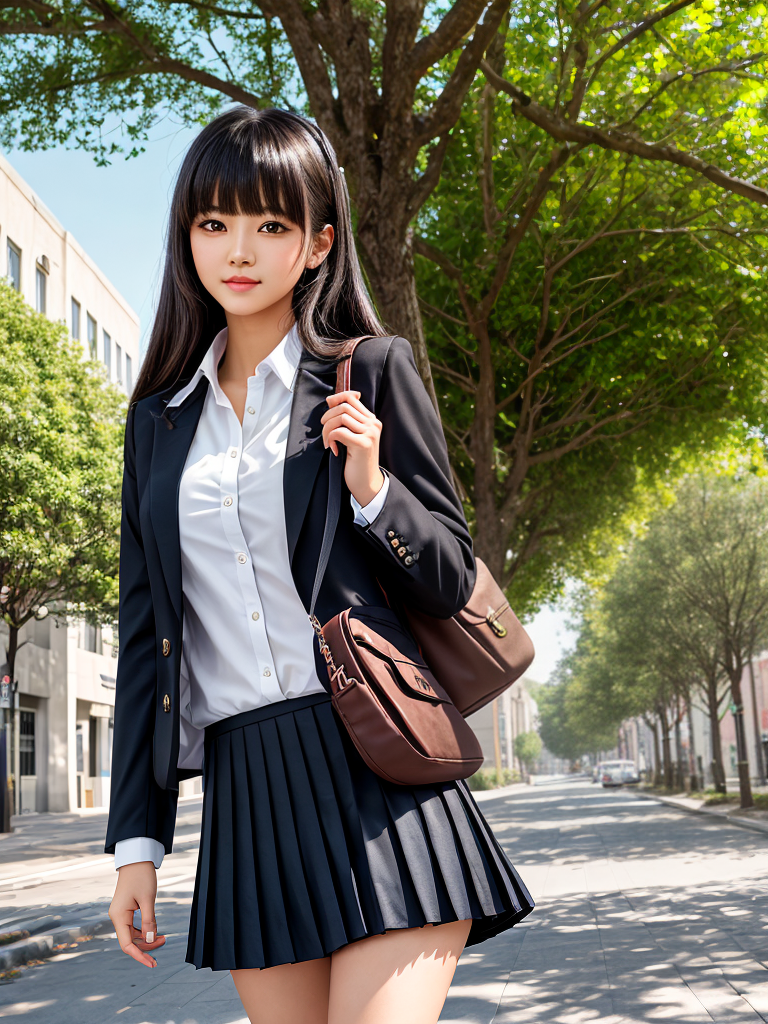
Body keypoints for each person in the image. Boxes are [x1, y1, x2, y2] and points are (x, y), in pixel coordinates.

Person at [104, 105, 534, 1024]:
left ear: (317, 242)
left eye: (271, 224)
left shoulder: (370, 371)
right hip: (246, 790)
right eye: (214, 223)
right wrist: (136, 844)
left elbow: (452, 575)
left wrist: (374, 488)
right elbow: (148, 645)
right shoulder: (155, 428)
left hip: (379, 766)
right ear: (187, 238)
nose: (239, 250)